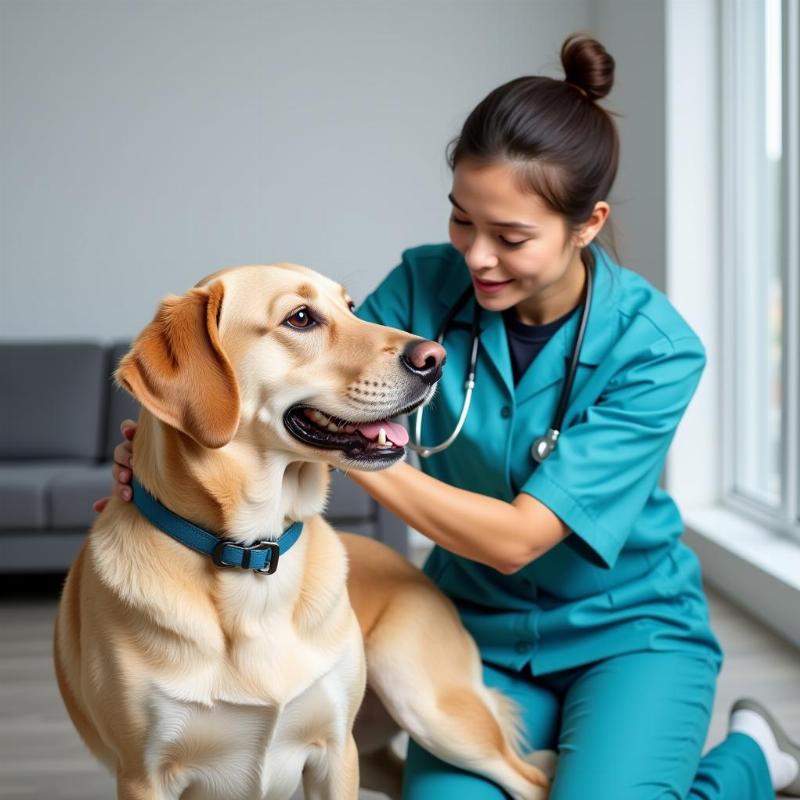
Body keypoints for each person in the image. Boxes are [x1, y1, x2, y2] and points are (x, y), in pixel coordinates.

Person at [97, 33, 800, 800]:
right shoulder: (426, 283)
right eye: (463, 220)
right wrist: (177, 461)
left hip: (630, 634)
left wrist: (347, 451)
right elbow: (309, 387)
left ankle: (752, 759)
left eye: (512, 237)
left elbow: (518, 540)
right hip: (476, 627)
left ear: (588, 225)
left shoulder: (656, 348)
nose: (477, 256)